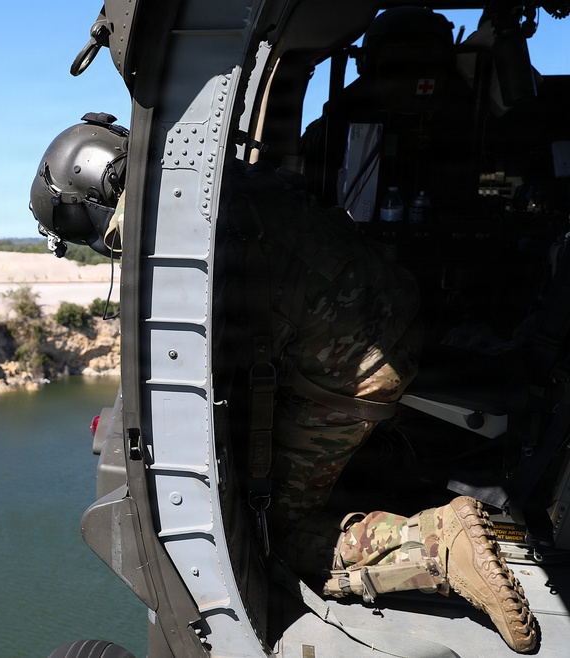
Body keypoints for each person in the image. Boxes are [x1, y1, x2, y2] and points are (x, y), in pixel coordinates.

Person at [30, 112, 539, 653]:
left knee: (277, 535)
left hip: (359, 368)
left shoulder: (167, 222)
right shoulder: (218, 178)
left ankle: (439, 546)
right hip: (398, 313)